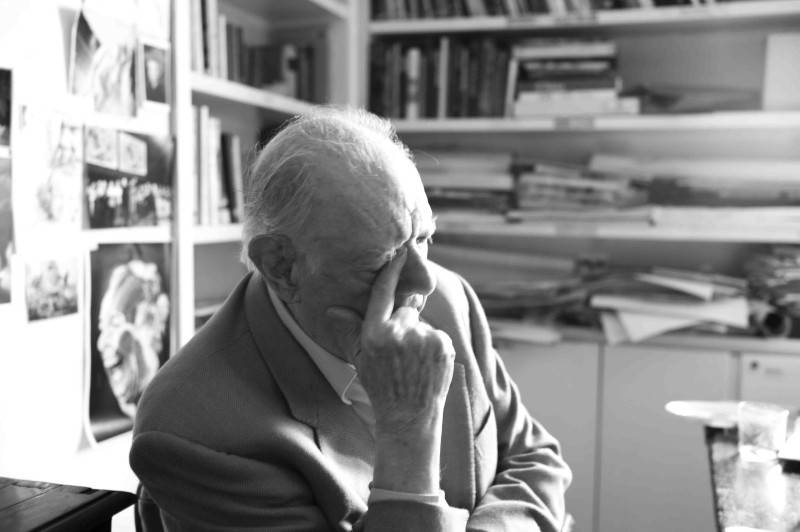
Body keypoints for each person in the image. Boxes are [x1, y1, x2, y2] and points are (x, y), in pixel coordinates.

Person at [130, 107, 571, 531]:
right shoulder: (192, 432)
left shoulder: (451, 300)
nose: (424, 281)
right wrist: (408, 428)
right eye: (383, 260)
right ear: (282, 266)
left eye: (424, 237)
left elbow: (535, 459)